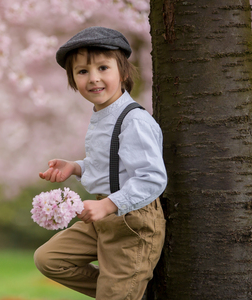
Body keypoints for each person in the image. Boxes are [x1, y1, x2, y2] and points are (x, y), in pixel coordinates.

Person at [34, 26, 168, 300]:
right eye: (82, 72)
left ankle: (124, 290)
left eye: (103, 68)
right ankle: (125, 290)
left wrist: (108, 204)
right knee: (48, 259)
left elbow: (152, 178)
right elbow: (111, 164)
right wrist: (76, 167)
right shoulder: (103, 115)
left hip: (133, 223)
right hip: (104, 218)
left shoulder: (134, 121)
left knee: (116, 293)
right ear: (73, 80)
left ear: (124, 72)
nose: (93, 78)